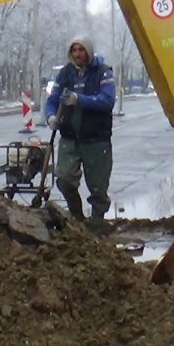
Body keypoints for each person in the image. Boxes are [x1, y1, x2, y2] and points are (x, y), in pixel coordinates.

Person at [44, 35, 115, 222]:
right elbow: (52, 99)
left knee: (98, 186)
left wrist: (80, 100)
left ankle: (97, 223)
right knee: (64, 178)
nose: (77, 54)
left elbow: (107, 100)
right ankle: (77, 216)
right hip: (69, 137)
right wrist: (51, 115)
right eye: (74, 50)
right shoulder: (65, 74)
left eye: (81, 50)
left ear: (88, 51)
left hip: (96, 139)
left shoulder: (102, 72)